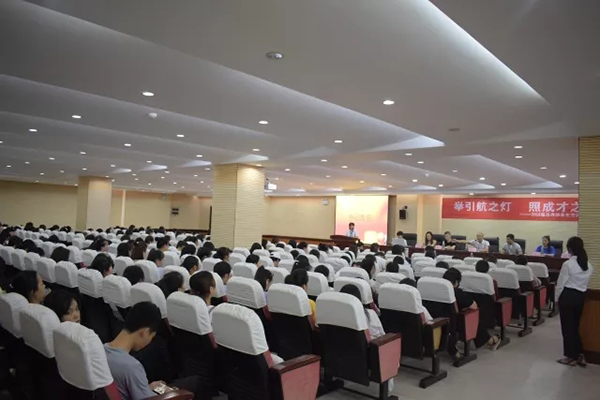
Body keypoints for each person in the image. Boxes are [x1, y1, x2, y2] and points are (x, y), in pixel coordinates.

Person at [104, 302, 199, 400]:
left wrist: (147, 387)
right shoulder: (131, 367)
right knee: (194, 383)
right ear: (144, 332)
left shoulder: (101, 352)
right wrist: (169, 393)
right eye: (151, 337)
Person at [556, 237, 593, 366]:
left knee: (567, 328)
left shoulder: (568, 264)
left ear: (570, 249)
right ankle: (579, 354)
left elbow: (561, 284)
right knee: (575, 327)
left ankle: (570, 357)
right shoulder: (588, 265)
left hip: (567, 296)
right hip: (580, 298)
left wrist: (556, 299)